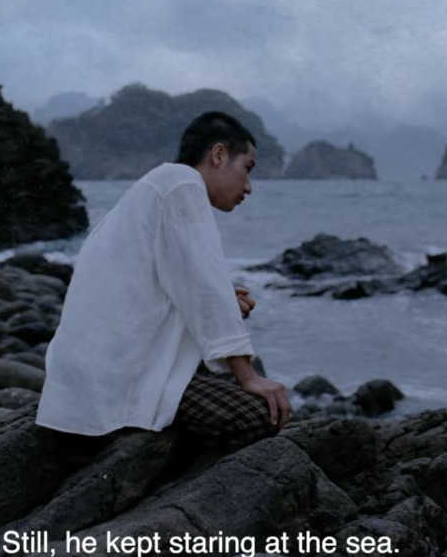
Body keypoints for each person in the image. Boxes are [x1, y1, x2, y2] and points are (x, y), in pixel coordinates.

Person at [36, 111, 291, 448]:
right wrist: (248, 376)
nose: (248, 187)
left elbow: (171, 285)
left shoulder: (158, 186)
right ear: (218, 155)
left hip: (82, 380)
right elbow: (204, 287)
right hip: (115, 380)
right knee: (261, 415)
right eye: (247, 168)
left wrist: (222, 299)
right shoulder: (181, 184)